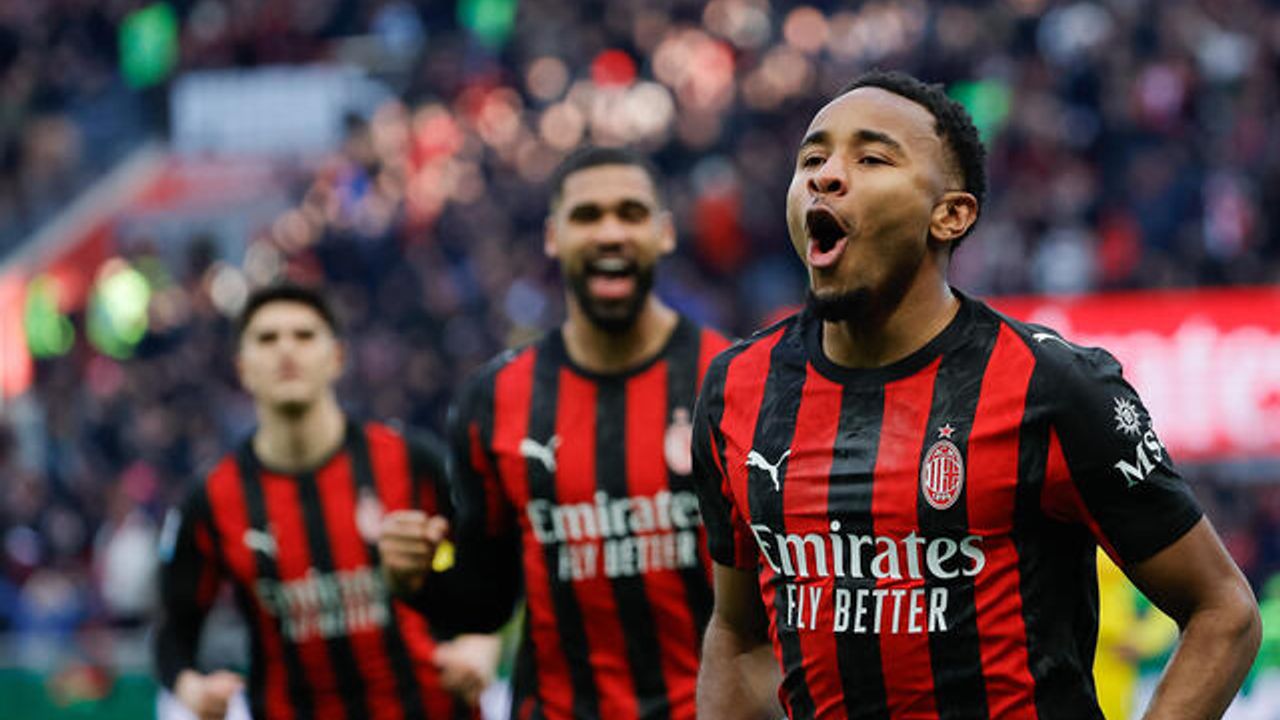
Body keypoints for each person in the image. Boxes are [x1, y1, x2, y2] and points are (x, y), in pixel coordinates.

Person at [690, 69, 1260, 720]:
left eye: (871, 158)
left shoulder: (1054, 386)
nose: (826, 175)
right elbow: (737, 636)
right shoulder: (737, 389)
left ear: (951, 214)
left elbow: (1224, 612)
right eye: (812, 160)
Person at [379, 146, 731, 720]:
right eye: (587, 216)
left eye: (631, 213)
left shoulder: (735, 383)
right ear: (552, 237)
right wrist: (417, 579)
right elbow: (486, 601)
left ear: (665, 233)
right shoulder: (492, 401)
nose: (610, 233)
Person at [154, 283, 499, 720]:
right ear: (242, 368)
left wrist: (480, 645)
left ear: (336, 357)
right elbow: (173, 631)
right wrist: (192, 689)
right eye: (267, 338)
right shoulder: (212, 500)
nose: (286, 350)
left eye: (304, 335)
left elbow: (489, 567)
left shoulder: (411, 460)